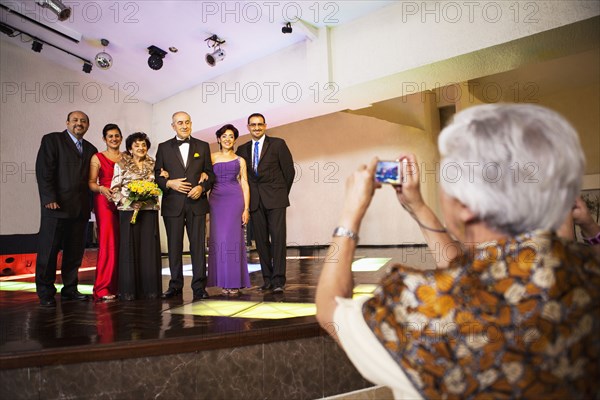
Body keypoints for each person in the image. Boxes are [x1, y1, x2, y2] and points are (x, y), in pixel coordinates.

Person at [316, 104, 600, 399]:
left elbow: (330, 310)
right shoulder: (588, 273)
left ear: (465, 206)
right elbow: (476, 279)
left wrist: (350, 214)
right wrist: (418, 207)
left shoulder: (419, 308)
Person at [35, 111, 98, 307]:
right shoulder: (52, 140)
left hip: (80, 209)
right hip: (56, 207)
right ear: (67, 123)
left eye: (83, 121)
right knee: (49, 251)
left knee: (75, 252)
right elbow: (44, 171)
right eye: (75, 120)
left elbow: (91, 179)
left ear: (87, 125)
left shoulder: (91, 148)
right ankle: (45, 292)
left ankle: (70, 289)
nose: (79, 124)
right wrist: (49, 198)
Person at [154, 112, 215, 301]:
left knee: (198, 247)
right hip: (173, 204)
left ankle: (199, 287)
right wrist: (169, 184)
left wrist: (202, 187)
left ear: (191, 124)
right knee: (174, 247)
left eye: (187, 122)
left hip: (197, 204)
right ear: (173, 126)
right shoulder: (163, 147)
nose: (184, 125)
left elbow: (210, 175)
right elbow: (156, 175)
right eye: (180, 123)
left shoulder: (203, 146)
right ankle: (175, 285)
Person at [236, 113, 295, 293]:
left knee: (278, 239)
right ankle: (267, 279)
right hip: (254, 201)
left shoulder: (278, 144)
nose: (256, 128)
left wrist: (281, 194)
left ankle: (278, 280)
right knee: (261, 242)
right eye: (253, 125)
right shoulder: (242, 149)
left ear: (265, 126)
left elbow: (289, 172)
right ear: (248, 127)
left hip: (275, 199)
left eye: (260, 124)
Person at [111, 132, 161, 301]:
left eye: (144, 145)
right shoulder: (121, 164)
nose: (141, 148)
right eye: (137, 145)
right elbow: (114, 189)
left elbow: (158, 185)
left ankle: (150, 290)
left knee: (148, 250)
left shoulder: (153, 163)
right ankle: (129, 291)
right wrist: (129, 203)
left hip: (149, 210)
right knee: (129, 250)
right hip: (127, 212)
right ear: (130, 148)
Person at [207, 124, 251, 295]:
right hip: (216, 201)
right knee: (219, 240)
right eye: (224, 136)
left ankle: (233, 281)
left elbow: (245, 183)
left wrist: (246, 208)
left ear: (234, 139)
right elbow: (203, 177)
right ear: (218, 139)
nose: (227, 139)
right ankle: (221, 280)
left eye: (231, 136)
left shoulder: (240, 160)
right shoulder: (211, 157)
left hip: (235, 200)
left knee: (232, 240)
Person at [88, 123, 123, 302]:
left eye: (117, 135)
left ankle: (122, 286)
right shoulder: (97, 157)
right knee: (108, 242)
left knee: (124, 243)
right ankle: (104, 287)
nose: (114, 139)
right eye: (110, 136)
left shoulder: (126, 157)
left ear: (121, 138)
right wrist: (102, 189)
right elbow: (91, 183)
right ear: (104, 139)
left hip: (125, 201)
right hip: (105, 201)